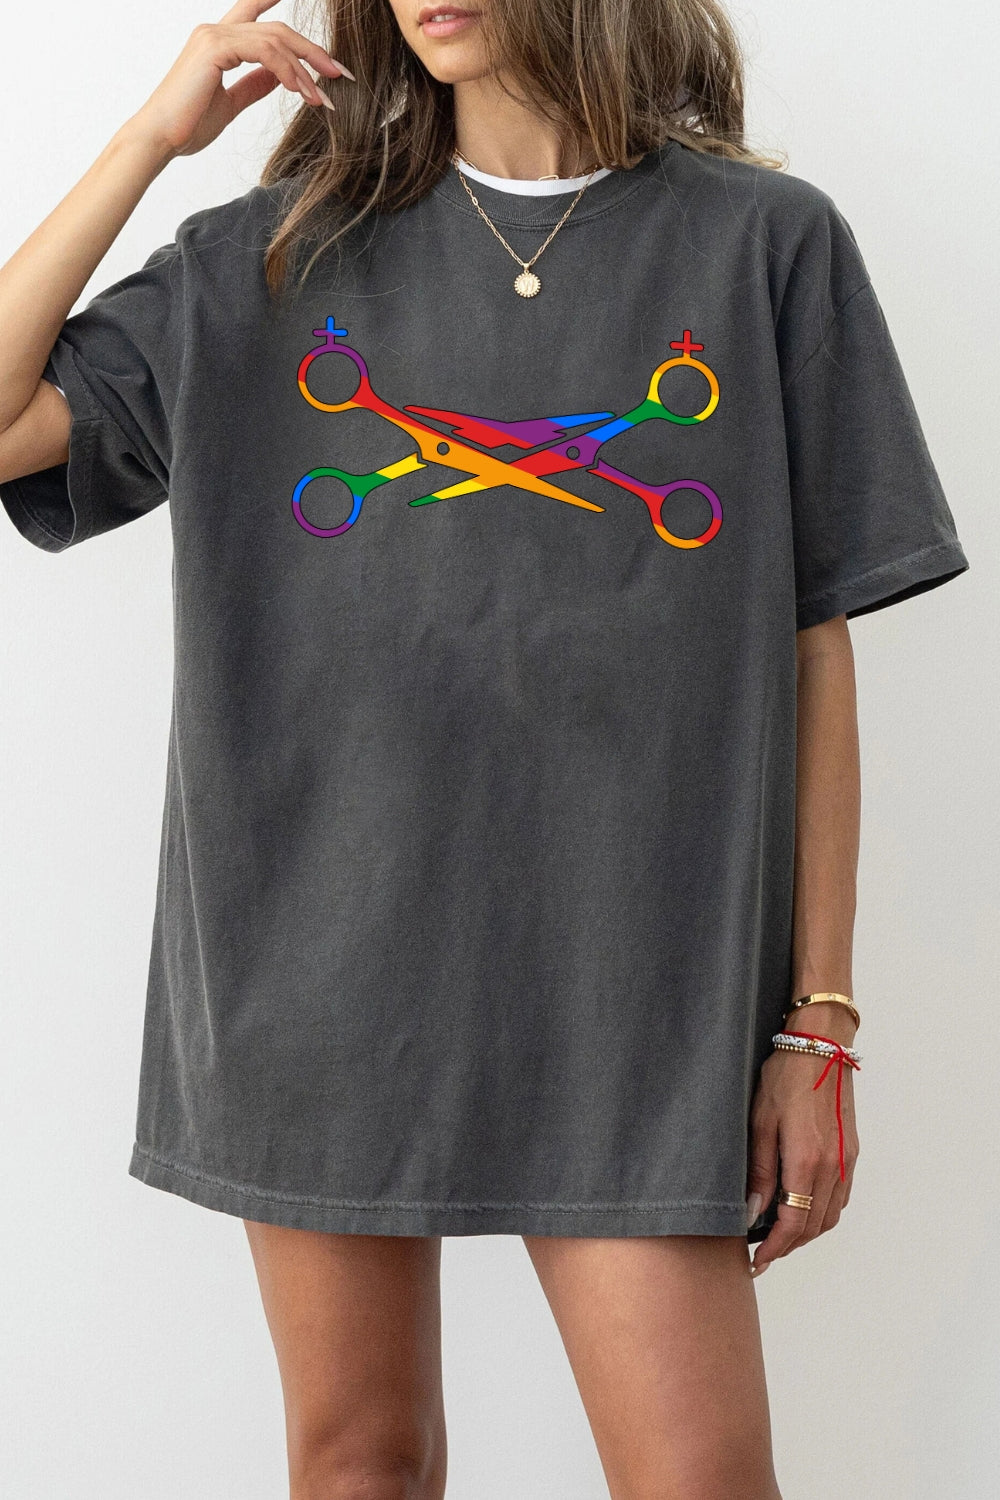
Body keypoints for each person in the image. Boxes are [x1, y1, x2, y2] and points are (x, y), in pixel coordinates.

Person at [0, 1, 971, 1496]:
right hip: (320, 969)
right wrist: (149, 139)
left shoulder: (763, 245)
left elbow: (812, 643)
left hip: (637, 997)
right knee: (360, 1465)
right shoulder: (269, 256)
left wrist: (818, 1020)